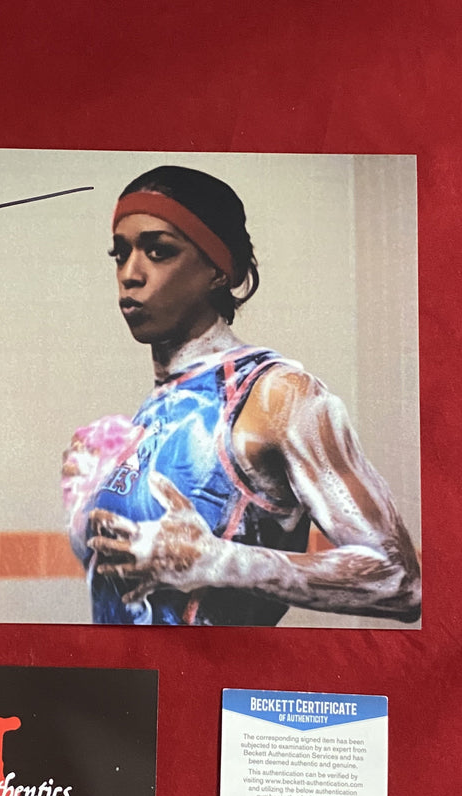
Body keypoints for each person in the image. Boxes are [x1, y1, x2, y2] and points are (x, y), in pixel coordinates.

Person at [62, 165, 421, 627]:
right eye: (120, 253)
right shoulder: (151, 416)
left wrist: (220, 561)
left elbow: (400, 579)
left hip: (222, 673)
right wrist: (85, 512)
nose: (130, 274)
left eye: (159, 251)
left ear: (218, 270)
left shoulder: (277, 395)